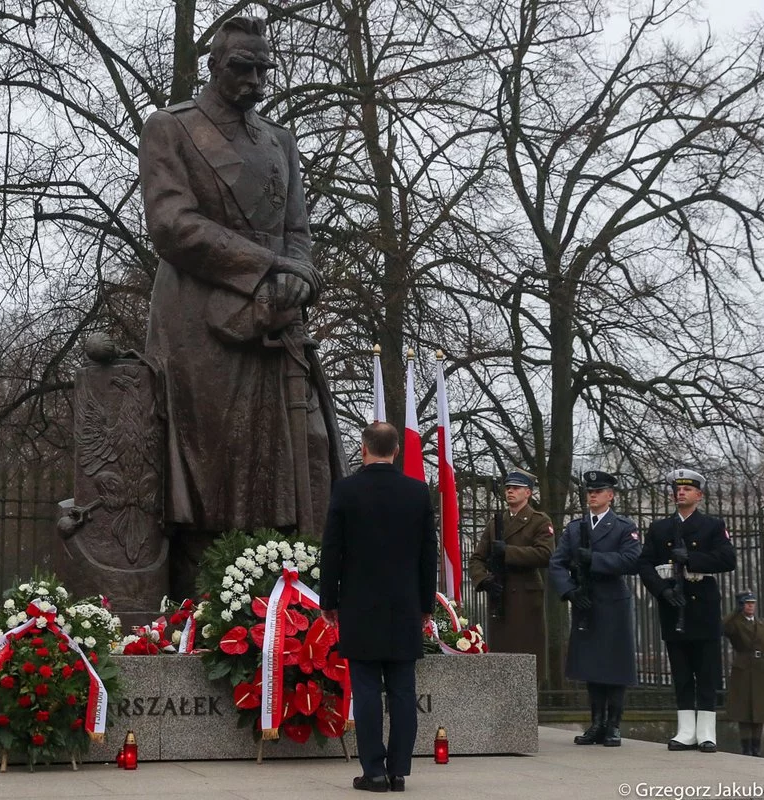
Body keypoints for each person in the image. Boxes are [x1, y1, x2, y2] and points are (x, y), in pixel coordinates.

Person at [139, 15, 346, 599]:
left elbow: (297, 229)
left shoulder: (278, 139)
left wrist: (300, 276)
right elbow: (172, 224)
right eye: (241, 67)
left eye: (263, 68)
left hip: (276, 319)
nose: (255, 79)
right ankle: (208, 600)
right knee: (216, 461)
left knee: (300, 448)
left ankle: (289, 590)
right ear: (214, 64)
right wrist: (266, 267)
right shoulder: (171, 128)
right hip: (201, 323)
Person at [320, 422, 437, 793]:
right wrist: (426, 603)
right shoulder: (417, 492)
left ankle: (373, 771)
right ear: (397, 450)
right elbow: (427, 555)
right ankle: (398, 770)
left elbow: (332, 551)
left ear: (364, 448)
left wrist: (328, 600)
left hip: (360, 605)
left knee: (366, 689)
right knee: (403, 690)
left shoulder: (346, 490)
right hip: (404, 606)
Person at [637, 468, 736, 753]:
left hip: (702, 606)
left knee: (705, 672)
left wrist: (692, 558)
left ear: (699, 495)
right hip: (673, 605)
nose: (681, 492)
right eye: (678, 489)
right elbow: (644, 564)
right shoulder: (659, 529)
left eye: (687, 489)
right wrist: (662, 590)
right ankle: (685, 731)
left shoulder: (713, 526)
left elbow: (728, 559)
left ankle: (706, 732)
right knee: (680, 672)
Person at [549, 470, 641, 747]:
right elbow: (557, 563)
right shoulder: (576, 528)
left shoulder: (623, 527)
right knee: (592, 667)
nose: (592, 495)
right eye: (589, 491)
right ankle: (596, 723)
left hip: (612, 602)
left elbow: (632, 559)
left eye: (598, 491)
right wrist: (570, 591)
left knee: (613, 667)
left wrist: (596, 559)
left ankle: (613, 725)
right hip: (585, 602)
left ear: (610, 496)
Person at [467, 469, 554, 675]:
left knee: (527, 661)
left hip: (525, 597)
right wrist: (483, 580)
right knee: (501, 662)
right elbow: (476, 559)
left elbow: (545, 554)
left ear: (528, 493)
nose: (510, 492)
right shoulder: (495, 523)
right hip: (500, 595)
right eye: (508, 488)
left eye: (516, 488)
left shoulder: (539, 521)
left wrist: (508, 552)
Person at [723, 590, 764, 756]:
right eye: (747, 603)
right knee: (744, 709)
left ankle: (756, 746)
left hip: (761, 669)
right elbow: (723, 627)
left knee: (758, 710)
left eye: (752, 603)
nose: (750, 606)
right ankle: (746, 746)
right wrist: (734, 611)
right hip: (743, 669)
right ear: (741, 605)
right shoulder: (736, 623)